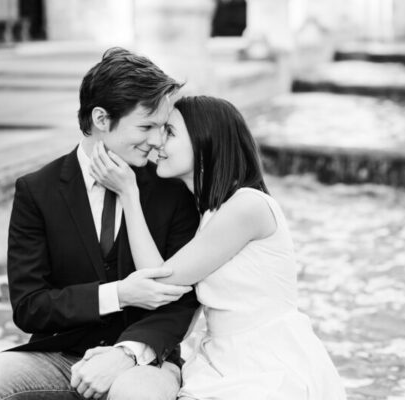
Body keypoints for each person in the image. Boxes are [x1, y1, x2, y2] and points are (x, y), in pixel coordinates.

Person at [90, 95, 347, 399]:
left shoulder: (246, 206)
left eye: (169, 132)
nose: (158, 142)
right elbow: (161, 282)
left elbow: (160, 278)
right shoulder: (210, 213)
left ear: (204, 142)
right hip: (221, 354)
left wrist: (129, 195)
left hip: (265, 358)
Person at [0, 48, 200, 400]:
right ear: (102, 119)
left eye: (162, 128)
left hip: (145, 361)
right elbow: (30, 307)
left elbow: (184, 301)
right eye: (146, 126)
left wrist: (128, 354)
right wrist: (119, 294)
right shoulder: (37, 190)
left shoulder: (172, 188)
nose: (156, 141)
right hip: (59, 355)